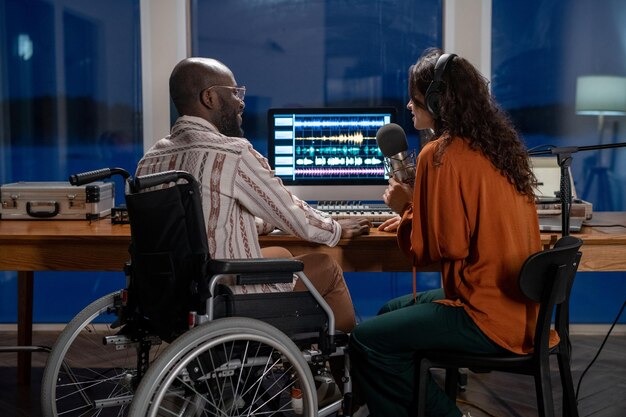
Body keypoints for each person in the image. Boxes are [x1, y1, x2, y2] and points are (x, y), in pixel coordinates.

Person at [349, 48, 542, 417]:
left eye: (416, 98)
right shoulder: (502, 150)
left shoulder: (439, 155)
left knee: (367, 341)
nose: (408, 105)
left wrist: (406, 210)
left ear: (439, 101)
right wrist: (415, 216)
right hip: (523, 313)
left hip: (486, 317)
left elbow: (441, 248)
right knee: (390, 310)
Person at [136, 57, 370, 334]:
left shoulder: (150, 160)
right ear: (209, 97)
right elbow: (295, 217)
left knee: (281, 252)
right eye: (234, 92)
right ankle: (340, 358)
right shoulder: (232, 154)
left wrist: (261, 222)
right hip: (223, 296)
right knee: (327, 266)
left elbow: (198, 221)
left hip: (174, 297)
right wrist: (337, 228)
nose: (241, 102)